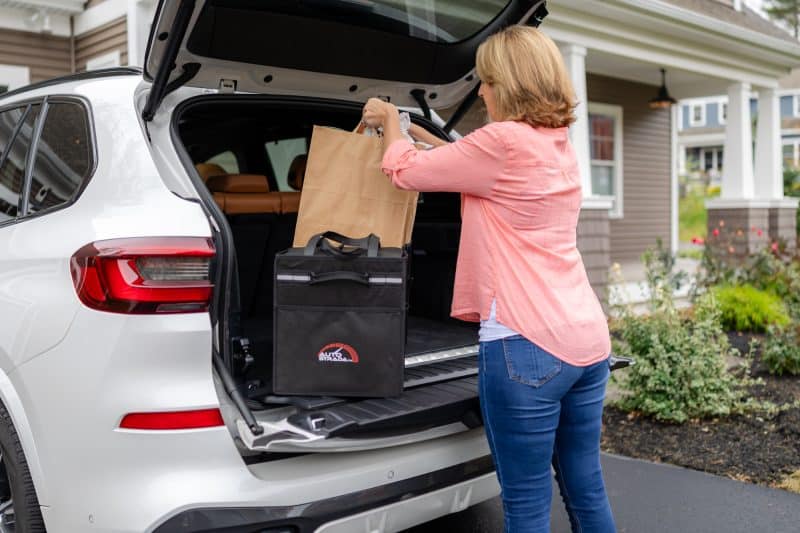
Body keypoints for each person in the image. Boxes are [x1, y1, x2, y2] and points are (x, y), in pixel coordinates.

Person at [362, 25, 616, 533]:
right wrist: (419, 135)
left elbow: (404, 173)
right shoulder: (556, 142)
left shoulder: (501, 142)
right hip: (587, 341)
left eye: (489, 81)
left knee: (526, 503)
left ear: (512, 84)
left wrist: (389, 121)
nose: (481, 91)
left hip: (526, 346)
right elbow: (464, 160)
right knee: (586, 487)